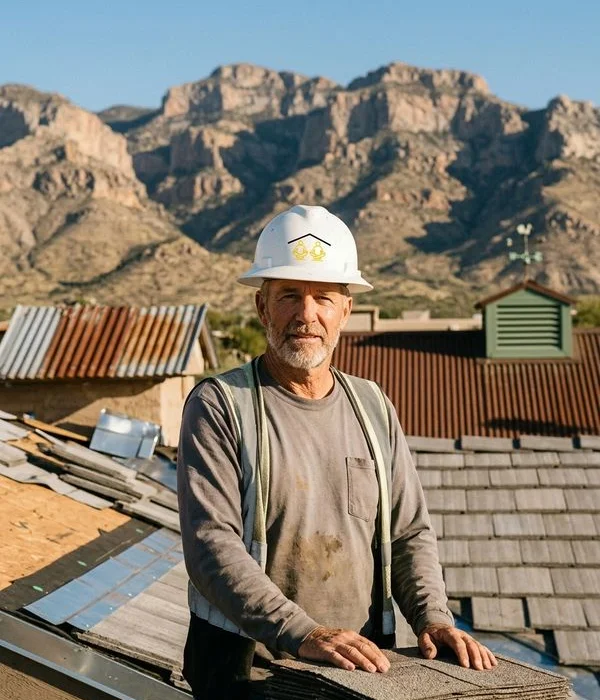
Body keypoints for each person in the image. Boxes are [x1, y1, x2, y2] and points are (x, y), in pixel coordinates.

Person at [177, 205, 497, 699]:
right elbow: (211, 546)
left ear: (345, 311)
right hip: (250, 677)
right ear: (262, 308)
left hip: (359, 674)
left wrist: (433, 619)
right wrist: (303, 633)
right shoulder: (220, 406)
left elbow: (408, 532)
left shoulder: (372, 406)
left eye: (323, 298)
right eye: (289, 296)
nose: (306, 315)